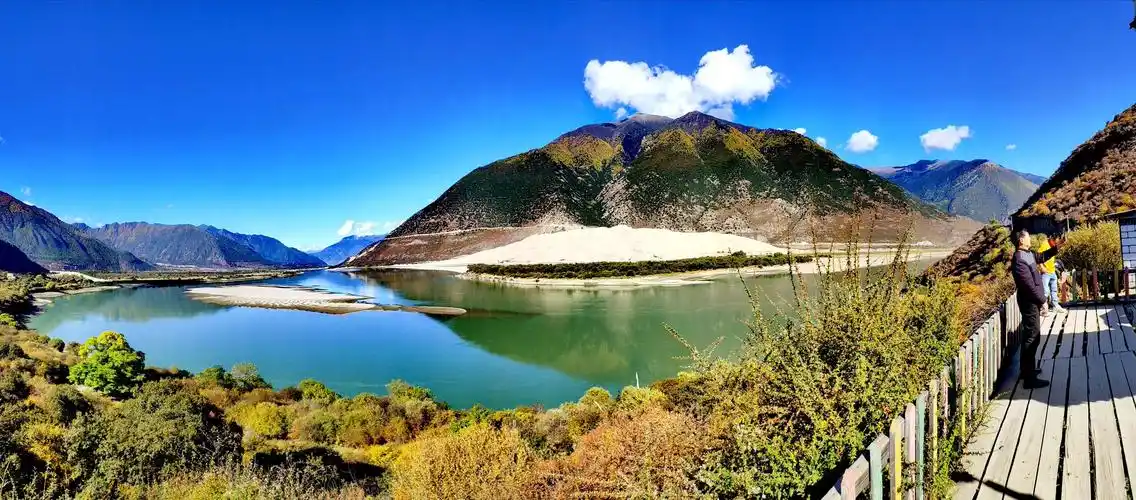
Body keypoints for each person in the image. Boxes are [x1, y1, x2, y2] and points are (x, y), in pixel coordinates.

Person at [1011, 229, 1060, 389]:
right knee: (1032, 337)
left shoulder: (1028, 254)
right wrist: (1043, 300)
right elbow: (1028, 286)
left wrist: (1056, 247)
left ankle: (1026, 371)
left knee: (1031, 336)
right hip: (1029, 302)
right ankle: (1029, 379)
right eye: (1027, 236)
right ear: (1021, 241)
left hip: (1032, 301)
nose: (1029, 238)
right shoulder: (1019, 260)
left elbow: (1042, 257)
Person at [1036, 237, 1066, 315]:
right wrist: (1042, 267)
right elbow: (1038, 256)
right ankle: (1043, 309)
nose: (1058, 241)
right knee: (1045, 292)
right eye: (1058, 239)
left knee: (1054, 290)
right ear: (1054, 238)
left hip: (1052, 271)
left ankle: (1055, 306)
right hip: (1045, 272)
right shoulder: (1045, 244)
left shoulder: (1053, 245)